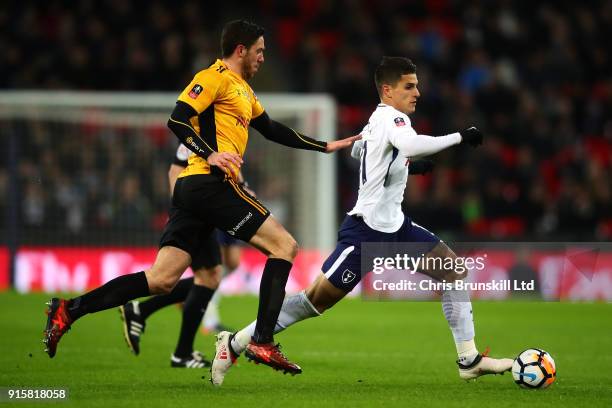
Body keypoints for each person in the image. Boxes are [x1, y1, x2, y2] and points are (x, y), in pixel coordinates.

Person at [42, 20, 359, 376]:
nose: (263, 58)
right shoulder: (214, 77)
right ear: (241, 50)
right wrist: (210, 154)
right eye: (259, 51)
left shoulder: (243, 90)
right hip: (210, 183)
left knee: (162, 279)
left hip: (195, 191)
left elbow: (270, 129)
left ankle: (68, 310)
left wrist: (325, 146)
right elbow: (177, 119)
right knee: (284, 247)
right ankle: (262, 340)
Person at [210, 56, 514, 386]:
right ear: (388, 90)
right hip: (365, 233)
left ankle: (468, 359)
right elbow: (408, 143)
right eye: (409, 86)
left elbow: (362, 153)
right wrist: (459, 136)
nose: (417, 93)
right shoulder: (391, 118)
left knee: (454, 271)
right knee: (314, 302)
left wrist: (405, 165)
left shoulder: (376, 123)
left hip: (397, 229)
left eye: (417, 86)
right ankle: (235, 342)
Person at [118, 143, 243, 368]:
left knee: (211, 275)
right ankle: (178, 346)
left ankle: (145, 313)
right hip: (196, 213)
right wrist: (182, 209)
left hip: (212, 209)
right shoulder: (196, 136)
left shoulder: (224, 131)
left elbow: (230, 165)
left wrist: (243, 186)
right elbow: (175, 170)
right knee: (195, 278)